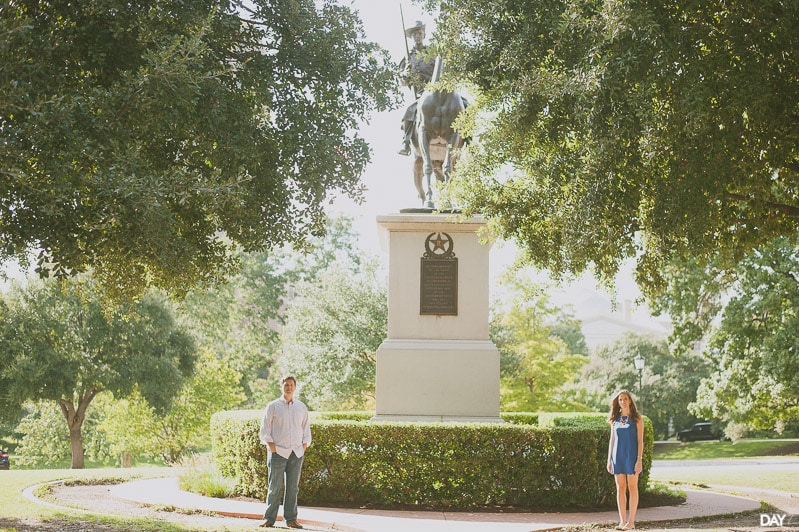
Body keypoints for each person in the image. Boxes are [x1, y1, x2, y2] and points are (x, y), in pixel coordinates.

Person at [259, 375, 312, 529]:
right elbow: (265, 430)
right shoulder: (273, 406)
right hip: (278, 453)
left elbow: (306, 430)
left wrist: (303, 447)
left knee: (293, 488)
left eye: (291, 384)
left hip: (296, 453)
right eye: (286, 384)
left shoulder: (301, 407)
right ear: (281, 386)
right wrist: (272, 448)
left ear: (295, 387)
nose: (289, 387)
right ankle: (269, 518)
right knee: (274, 487)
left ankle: (291, 520)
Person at [606, 390, 644, 530]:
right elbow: (612, 440)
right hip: (618, 457)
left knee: (632, 487)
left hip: (632, 456)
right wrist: (609, 460)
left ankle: (631, 522)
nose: (623, 401)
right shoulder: (614, 418)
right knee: (620, 488)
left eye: (625, 399)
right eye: (620, 399)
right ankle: (622, 521)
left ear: (630, 401)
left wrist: (639, 460)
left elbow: (640, 441)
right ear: (617, 402)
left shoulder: (637, 418)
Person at [397, 20, 435, 156]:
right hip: (419, 92)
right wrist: (405, 75)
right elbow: (402, 81)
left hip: (435, 87)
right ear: (412, 37)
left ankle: (467, 137)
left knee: (461, 102)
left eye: (419, 33)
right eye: (414, 34)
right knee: (409, 111)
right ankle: (406, 142)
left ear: (424, 35)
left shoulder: (433, 53)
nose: (417, 36)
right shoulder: (407, 57)